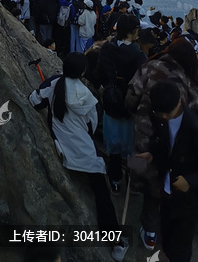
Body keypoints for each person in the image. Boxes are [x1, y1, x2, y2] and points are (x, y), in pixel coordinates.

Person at [29, 53, 128, 260]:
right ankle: (116, 243)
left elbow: (35, 101)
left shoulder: (54, 83)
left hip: (61, 147)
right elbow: (91, 127)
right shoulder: (88, 97)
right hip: (84, 153)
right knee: (102, 194)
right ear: (83, 72)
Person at [125, 37, 198, 250]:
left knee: (140, 172)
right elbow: (196, 114)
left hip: (142, 137)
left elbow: (131, 96)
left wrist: (136, 113)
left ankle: (133, 192)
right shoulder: (188, 80)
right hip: (171, 146)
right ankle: (153, 233)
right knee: (159, 186)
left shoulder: (149, 67)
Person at [137, 80, 198, 262]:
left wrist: (190, 181)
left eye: (167, 113)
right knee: (167, 236)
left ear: (179, 102)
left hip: (188, 200)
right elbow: (165, 142)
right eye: (159, 112)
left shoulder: (194, 129)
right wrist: (152, 154)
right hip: (168, 190)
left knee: (181, 246)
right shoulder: (163, 116)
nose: (163, 117)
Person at [98, 13, 146, 194]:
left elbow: (100, 73)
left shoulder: (107, 49)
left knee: (115, 146)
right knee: (134, 145)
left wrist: (111, 85)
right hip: (131, 106)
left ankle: (115, 180)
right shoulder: (138, 55)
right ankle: (134, 182)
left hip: (111, 102)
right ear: (134, 31)